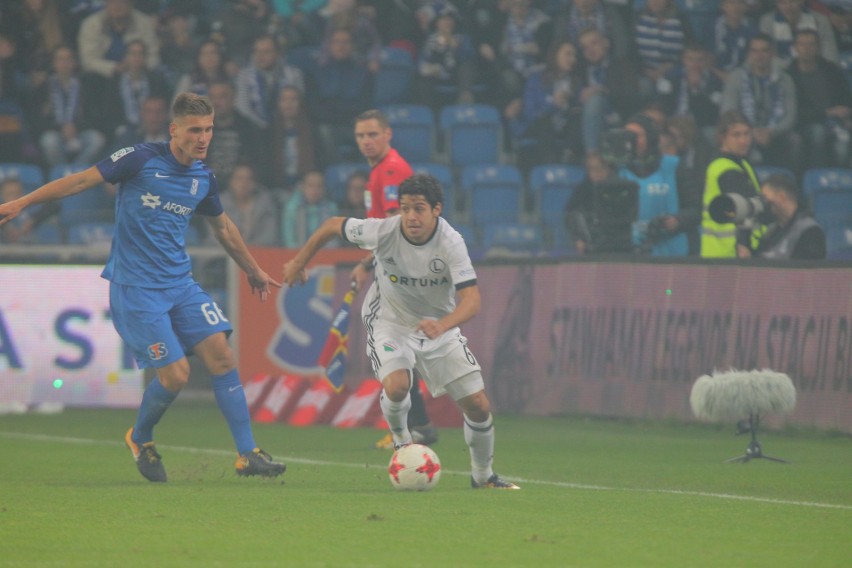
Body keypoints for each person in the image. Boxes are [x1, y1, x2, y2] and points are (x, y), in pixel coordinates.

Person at [0, 92, 286, 483]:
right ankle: (140, 436)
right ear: (174, 130)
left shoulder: (203, 177)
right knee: (176, 376)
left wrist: (252, 269)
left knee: (221, 355)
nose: (203, 138)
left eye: (209, 130)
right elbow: (81, 181)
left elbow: (222, 227)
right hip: (136, 289)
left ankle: (247, 454)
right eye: (194, 130)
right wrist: (23, 202)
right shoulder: (139, 159)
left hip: (180, 284)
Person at [282, 173, 520, 490]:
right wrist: (299, 262)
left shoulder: (451, 243)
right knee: (397, 385)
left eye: (418, 208)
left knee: (478, 405)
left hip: (438, 327)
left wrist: (444, 324)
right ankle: (402, 443)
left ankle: (483, 477)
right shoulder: (383, 230)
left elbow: (472, 300)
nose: (410, 216)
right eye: (405, 208)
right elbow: (330, 225)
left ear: (437, 209)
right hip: (390, 321)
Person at [352, 109, 439, 449]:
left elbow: (394, 224)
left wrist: (370, 264)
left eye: (372, 134)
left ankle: (416, 425)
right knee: (401, 345)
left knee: (396, 345)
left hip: (401, 270)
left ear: (387, 135)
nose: (366, 141)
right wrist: (366, 263)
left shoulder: (390, 170)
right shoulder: (378, 170)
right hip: (394, 266)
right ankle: (420, 425)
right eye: (360, 136)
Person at [720, 33, 798, 169]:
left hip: (776, 133)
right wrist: (750, 131)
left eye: (764, 51)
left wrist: (772, 132)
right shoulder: (736, 77)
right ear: (749, 54)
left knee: (795, 140)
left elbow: (790, 116)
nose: (759, 55)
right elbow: (728, 112)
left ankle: (789, 182)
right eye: (754, 51)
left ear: (772, 53)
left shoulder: (786, 79)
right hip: (744, 131)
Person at [787, 29, 852, 169]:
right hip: (802, 123)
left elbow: (846, 98)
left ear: (818, 47)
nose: (807, 49)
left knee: (844, 142)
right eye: (802, 44)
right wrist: (827, 113)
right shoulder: (789, 75)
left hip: (835, 122)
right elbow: (794, 112)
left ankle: (840, 180)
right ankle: (816, 175)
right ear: (795, 47)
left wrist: (847, 115)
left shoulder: (832, 70)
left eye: (811, 44)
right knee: (818, 133)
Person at [700, 110, 762, 258]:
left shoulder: (741, 163)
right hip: (729, 254)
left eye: (747, 134)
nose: (743, 140)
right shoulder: (726, 170)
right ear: (722, 138)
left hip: (727, 254)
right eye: (736, 135)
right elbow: (743, 211)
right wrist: (744, 243)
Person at [746, 174, 826, 259]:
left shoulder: (810, 231)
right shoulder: (771, 231)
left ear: (782, 198)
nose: (763, 204)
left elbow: (806, 268)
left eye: (764, 198)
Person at [281, 170, 338, 247]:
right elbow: (289, 240)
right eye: (310, 185)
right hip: (298, 255)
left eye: (319, 186)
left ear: (324, 188)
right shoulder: (292, 208)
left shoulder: (331, 208)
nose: (315, 190)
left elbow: (334, 240)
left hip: (326, 255)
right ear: (303, 187)